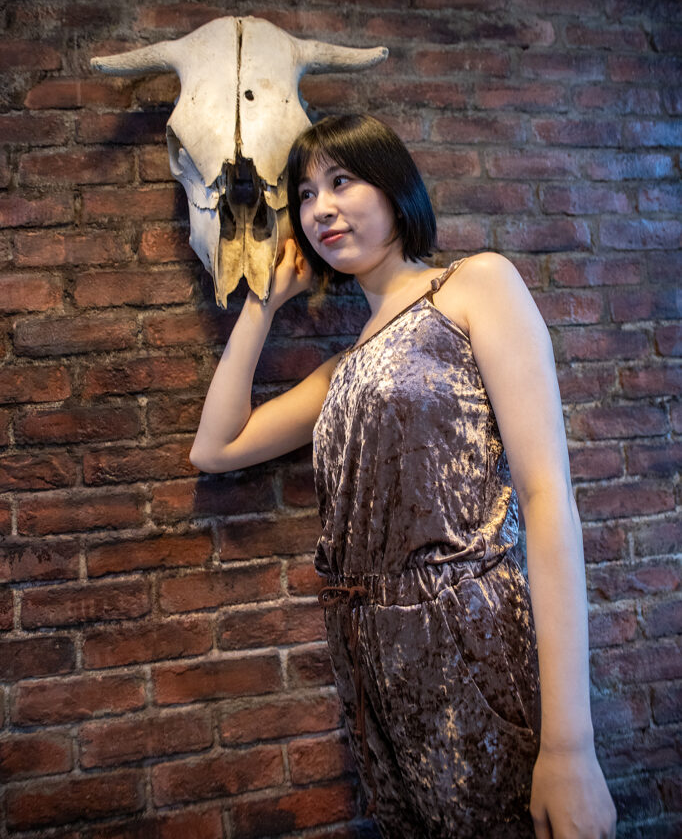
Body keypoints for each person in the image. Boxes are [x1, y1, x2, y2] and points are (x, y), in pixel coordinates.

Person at [190, 113, 618, 839]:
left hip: (475, 646)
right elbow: (217, 446)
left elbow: (546, 497)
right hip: (373, 671)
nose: (320, 208)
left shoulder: (475, 286)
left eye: (342, 181)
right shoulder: (345, 369)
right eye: (306, 194)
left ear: (395, 190)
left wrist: (570, 747)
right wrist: (264, 302)